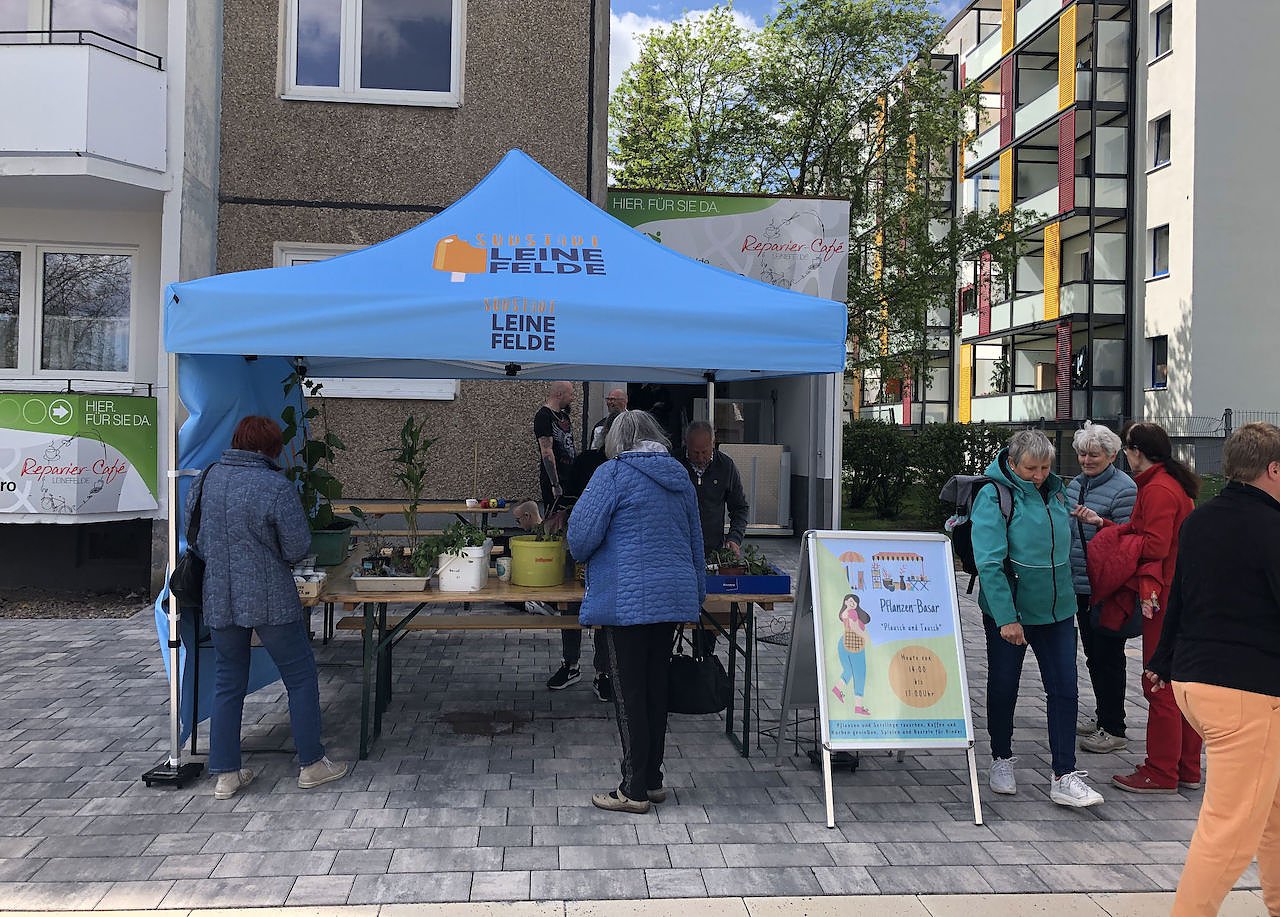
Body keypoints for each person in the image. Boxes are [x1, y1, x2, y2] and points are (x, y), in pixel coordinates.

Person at [1146, 423, 1280, 917]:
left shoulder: (1200, 519)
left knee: (1272, 812)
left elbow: (1180, 595)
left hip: (1196, 680)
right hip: (1247, 690)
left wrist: (1162, 661)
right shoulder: (1272, 528)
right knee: (1230, 831)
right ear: (1273, 469)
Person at [191, 415, 348, 800]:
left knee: (228, 680)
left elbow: (195, 537)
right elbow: (297, 547)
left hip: (219, 593)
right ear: (272, 448)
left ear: (236, 441)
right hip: (269, 597)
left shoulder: (206, 479)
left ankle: (226, 774)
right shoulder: (275, 486)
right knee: (299, 675)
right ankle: (311, 764)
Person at [567, 410, 705, 813]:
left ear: (617, 440)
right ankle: (653, 778)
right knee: (655, 689)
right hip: (672, 597)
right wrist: (697, 593)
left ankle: (633, 789)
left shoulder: (612, 474)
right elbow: (696, 540)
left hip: (626, 600)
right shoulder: (679, 476)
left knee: (629, 695)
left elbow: (579, 539)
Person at [972, 429, 1103, 808]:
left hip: (1058, 609)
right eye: (1031, 468)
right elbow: (989, 563)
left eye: (1045, 467)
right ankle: (1001, 757)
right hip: (1011, 611)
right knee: (1004, 684)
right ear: (1012, 463)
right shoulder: (993, 496)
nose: (1039, 475)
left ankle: (1064, 774)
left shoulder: (1058, 492)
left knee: (1065, 688)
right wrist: (1006, 618)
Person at [1072, 421, 1201, 794]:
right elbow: (1147, 535)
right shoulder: (1164, 483)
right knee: (1176, 682)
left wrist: (1114, 543)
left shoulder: (1157, 489)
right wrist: (1107, 525)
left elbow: (1155, 545)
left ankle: (1161, 771)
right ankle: (1186, 767)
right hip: (1174, 592)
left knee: (1158, 681)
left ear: (1134, 452)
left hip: (1162, 596)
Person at [1064, 422, 1137, 754]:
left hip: (1107, 588)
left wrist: (1099, 522)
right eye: (1082, 453)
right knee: (1094, 656)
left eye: (1093, 454)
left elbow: (1128, 539)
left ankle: (1114, 727)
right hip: (1080, 584)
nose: (1086, 460)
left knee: (1108, 657)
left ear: (1111, 455)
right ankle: (1103, 716)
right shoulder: (1076, 484)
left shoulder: (1124, 489)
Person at [532, 382, 602, 694]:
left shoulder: (567, 417)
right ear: (560, 393)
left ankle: (603, 670)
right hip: (560, 496)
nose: (575, 396)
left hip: (577, 494)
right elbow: (547, 450)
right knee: (567, 577)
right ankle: (570, 662)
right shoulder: (544, 416)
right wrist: (556, 485)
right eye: (571, 392)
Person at [679, 421, 749, 655]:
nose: (700, 458)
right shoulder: (674, 464)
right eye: (694, 452)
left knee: (707, 621)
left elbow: (740, 508)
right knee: (673, 616)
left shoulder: (725, 466)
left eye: (705, 452)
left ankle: (703, 661)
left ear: (713, 444)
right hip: (676, 551)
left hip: (710, 551)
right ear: (686, 445)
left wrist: (734, 538)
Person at [832, 594, 873, 715]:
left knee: (849, 670)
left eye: (854, 601)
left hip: (844, 642)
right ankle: (858, 707)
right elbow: (855, 628)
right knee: (860, 674)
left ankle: (837, 689)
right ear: (845, 602)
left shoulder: (844, 613)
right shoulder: (852, 613)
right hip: (855, 646)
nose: (852, 603)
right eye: (850, 600)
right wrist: (867, 637)